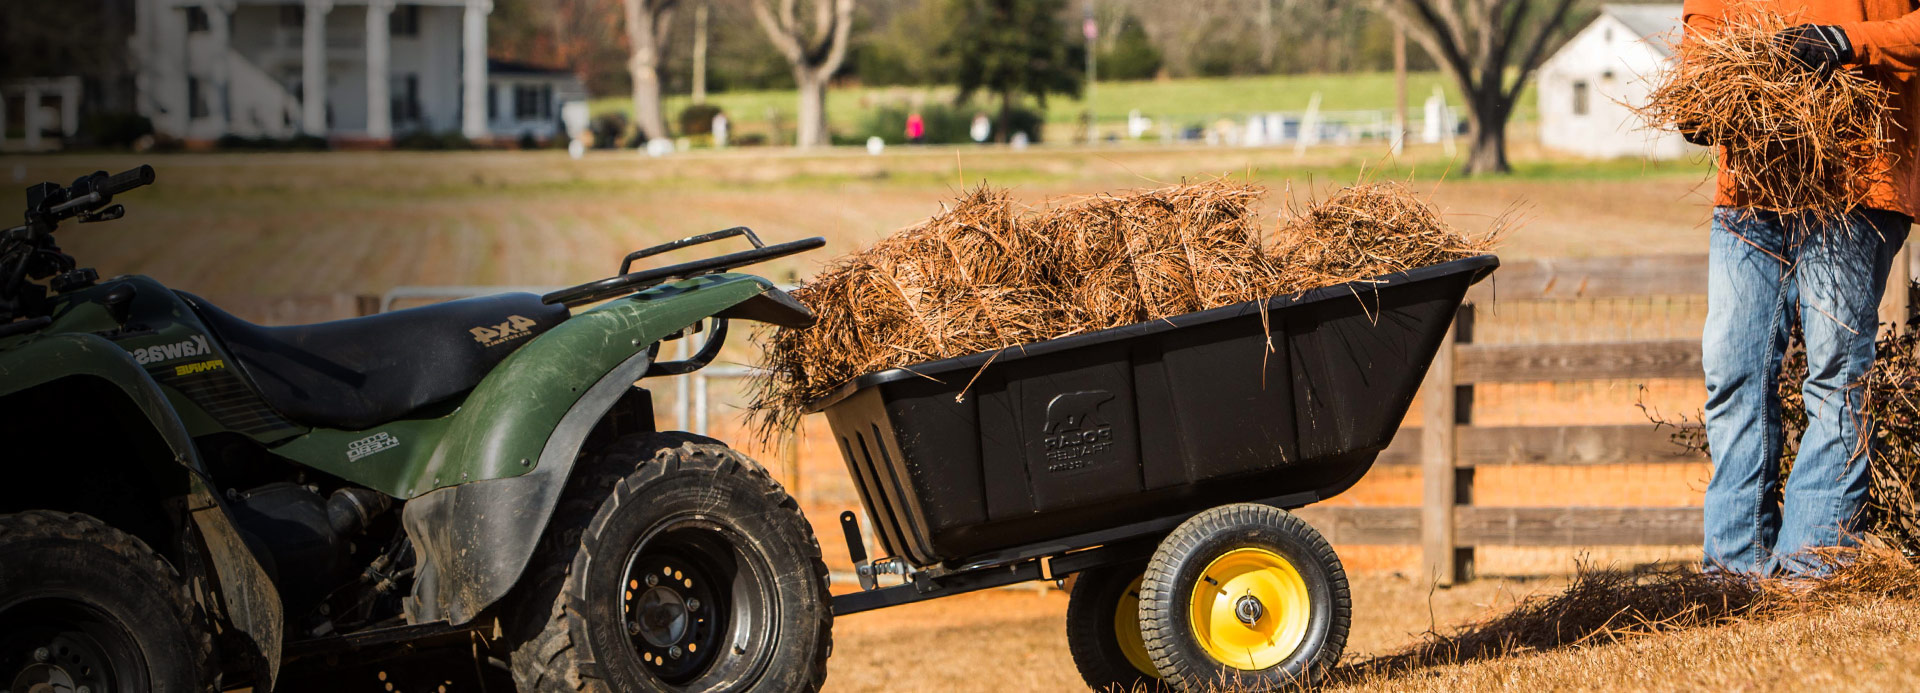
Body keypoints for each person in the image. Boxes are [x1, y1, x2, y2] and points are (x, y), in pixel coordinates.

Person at [1683, 0, 1919, 576]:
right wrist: (1701, 93)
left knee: (1836, 375)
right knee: (1732, 370)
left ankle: (1810, 569)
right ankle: (1735, 574)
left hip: (1858, 177)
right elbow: (1705, 30)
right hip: (1752, 184)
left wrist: (1848, 40)